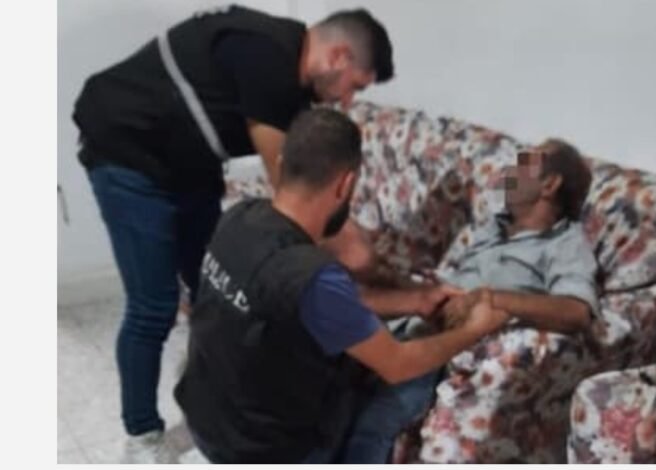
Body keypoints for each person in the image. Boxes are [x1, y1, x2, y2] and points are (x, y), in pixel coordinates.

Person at [71, 5, 393, 463]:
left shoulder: (291, 85)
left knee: (213, 286)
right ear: (339, 56)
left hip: (191, 164)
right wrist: (357, 251)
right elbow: (296, 189)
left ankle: (206, 391)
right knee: (153, 306)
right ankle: (141, 437)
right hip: (127, 152)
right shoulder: (267, 55)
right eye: (354, 86)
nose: (347, 100)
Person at [173, 108, 510, 463]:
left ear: (284, 163)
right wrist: (472, 331)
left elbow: (316, 305)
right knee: (408, 382)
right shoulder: (312, 275)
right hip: (265, 451)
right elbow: (397, 364)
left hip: (205, 420)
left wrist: (414, 301)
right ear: (345, 185)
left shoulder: (239, 217)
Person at [341, 138, 600, 463]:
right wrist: (396, 281)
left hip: (443, 349)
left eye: (524, 162)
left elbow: (577, 310)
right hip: (410, 324)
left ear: (550, 184)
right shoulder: (494, 227)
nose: (509, 170)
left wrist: (491, 298)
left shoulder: (565, 243)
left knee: (374, 424)